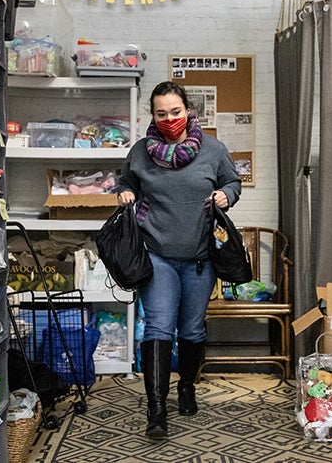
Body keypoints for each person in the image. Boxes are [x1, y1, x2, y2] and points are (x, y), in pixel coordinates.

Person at [116, 81, 241, 439]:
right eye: (161, 113)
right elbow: (125, 181)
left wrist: (224, 196)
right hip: (157, 257)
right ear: (152, 115)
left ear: (187, 110)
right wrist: (125, 191)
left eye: (176, 111)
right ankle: (157, 411)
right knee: (158, 327)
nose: (170, 119)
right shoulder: (141, 152)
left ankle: (187, 385)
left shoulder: (214, 150)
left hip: (200, 259)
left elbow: (233, 182)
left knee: (192, 330)